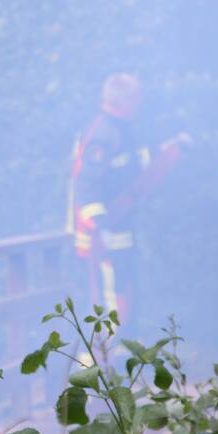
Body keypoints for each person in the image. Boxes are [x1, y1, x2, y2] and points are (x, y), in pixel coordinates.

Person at [68, 73, 185, 325]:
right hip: (101, 240)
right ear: (124, 101)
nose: (140, 105)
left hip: (120, 234)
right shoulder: (103, 135)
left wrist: (167, 154)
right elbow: (86, 185)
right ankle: (98, 360)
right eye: (137, 99)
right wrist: (100, 226)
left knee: (126, 299)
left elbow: (134, 171)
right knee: (109, 305)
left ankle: (118, 358)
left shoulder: (122, 131)